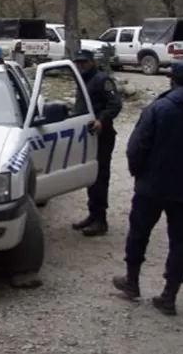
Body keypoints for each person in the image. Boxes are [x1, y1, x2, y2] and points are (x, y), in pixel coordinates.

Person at [112, 61, 183, 316]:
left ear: (172, 80)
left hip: (151, 187)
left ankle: (132, 282)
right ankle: (169, 296)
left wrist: (138, 173)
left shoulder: (158, 108)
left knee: (139, 233)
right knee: (179, 241)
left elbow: (136, 147)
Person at [70, 49, 122, 236]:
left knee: (100, 176)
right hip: (87, 135)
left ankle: (101, 219)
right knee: (90, 176)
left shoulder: (102, 80)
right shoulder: (82, 80)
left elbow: (115, 104)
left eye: (84, 62)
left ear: (92, 62)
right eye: (78, 62)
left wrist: (102, 120)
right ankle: (93, 214)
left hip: (103, 135)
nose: (81, 65)